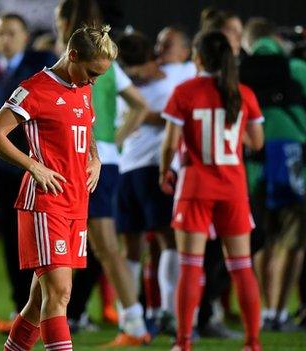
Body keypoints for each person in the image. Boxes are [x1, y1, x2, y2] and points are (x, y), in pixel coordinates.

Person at [0, 24, 115, 351]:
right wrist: (33, 164)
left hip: (76, 203)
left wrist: (94, 159)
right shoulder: (35, 89)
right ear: (72, 55)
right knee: (60, 295)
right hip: (45, 203)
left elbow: (88, 124)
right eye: (92, 71)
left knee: (39, 299)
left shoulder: (81, 85)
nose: (93, 81)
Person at [54, 0, 153, 344]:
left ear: (65, 20)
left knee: (106, 248)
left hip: (88, 163)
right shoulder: (104, 61)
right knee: (81, 247)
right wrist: (118, 141)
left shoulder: (70, 61)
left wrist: (107, 142)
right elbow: (140, 105)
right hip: (108, 160)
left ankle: (135, 325)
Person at [160, 31, 264, 351]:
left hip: (195, 186)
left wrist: (165, 171)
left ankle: (183, 342)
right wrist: (231, 137)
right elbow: (257, 142)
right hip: (232, 188)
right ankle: (253, 342)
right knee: (242, 266)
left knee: (191, 265)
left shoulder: (185, 91)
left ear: (199, 58)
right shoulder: (242, 93)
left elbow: (170, 142)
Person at [240, 17, 306, 331]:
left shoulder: (241, 72)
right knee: (294, 239)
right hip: (294, 165)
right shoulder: (297, 68)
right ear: (275, 38)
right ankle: (279, 312)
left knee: (262, 240)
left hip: (254, 166)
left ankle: (264, 311)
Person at [0, 13, 58, 332]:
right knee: (12, 240)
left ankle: (49, 308)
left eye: (11, 33)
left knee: (42, 241)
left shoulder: (42, 64)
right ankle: (19, 307)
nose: (5, 39)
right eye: (0, 33)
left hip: (36, 165)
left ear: (26, 37)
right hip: (2, 167)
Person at [115, 30, 196, 334]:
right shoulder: (182, 72)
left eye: (167, 45)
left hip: (127, 168)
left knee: (132, 248)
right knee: (168, 241)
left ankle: (131, 319)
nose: (162, 51)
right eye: (159, 45)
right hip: (151, 167)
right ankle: (165, 313)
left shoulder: (119, 79)